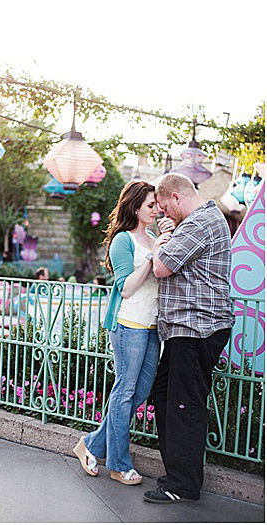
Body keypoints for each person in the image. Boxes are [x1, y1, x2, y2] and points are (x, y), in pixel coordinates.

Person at [143, 173, 234, 504]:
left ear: (177, 198)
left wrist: (157, 244)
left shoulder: (201, 222)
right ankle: (177, 475)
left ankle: (182, 485)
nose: (164, 215)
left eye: (165, 208)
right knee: (166, 394)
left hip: (198, 329)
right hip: (187, 328)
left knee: (184, 403)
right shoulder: (195, 222)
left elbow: (163, 266)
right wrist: (168, 234)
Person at [73, 180, 160, 486]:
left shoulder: (153, 238)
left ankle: (92, 445)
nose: (156, 209)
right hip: (128, 325)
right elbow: (126, 288)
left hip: (151, 327)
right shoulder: (123, 241)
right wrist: (151, 259)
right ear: (135, 207)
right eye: (151, 204)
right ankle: (119, 464)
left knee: (139, 392)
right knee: (124, 393)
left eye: (157, 204)